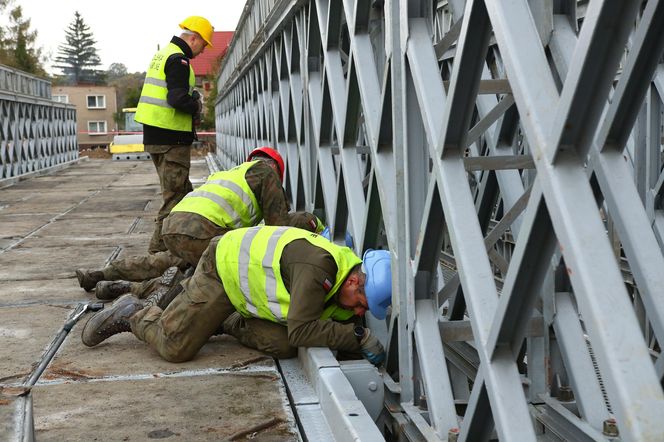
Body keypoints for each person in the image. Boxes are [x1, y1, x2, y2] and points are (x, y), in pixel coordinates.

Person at [81, 226, 392, 365]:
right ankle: (132, 313)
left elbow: (315, 325)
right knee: (175, 348)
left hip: (249, 292)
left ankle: (225, 320)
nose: (359, 313)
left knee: (283, 345)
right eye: (362, 306)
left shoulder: (341, 282)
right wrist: (359, 337)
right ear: (354, 282)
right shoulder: (318, 269)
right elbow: (302, 329)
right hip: (225, 269)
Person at [75, 147, 325, 300]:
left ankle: (102, 275)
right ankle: (134, 291)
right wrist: (309, 225)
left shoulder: (228, 175)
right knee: (203, 280)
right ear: (276, 170)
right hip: (203, 230)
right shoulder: (266, 173)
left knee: (164, 261)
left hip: (174, 224)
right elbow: (276, 229)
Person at [134, 16, 214, 255]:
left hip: (157, 136)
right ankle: (157, 254)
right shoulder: (178, 60)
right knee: (175, 199)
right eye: (203, 45)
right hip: (171, 139)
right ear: (193, 38)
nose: (201, 51)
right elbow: (177, 98)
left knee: (183, 194)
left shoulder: (163, 54)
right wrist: (196, 105)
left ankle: (179, 249)